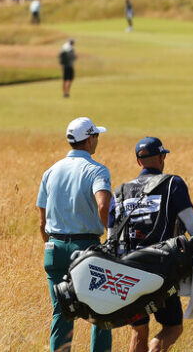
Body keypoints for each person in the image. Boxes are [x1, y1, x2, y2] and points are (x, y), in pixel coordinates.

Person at [110, 137, 193, 352]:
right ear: (162, 157)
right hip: (160, 273)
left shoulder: (120, 192)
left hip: (127, 272)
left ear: (138, 162)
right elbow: (192, 225)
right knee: (172, 327)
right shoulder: (173, 183)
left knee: (139, 329)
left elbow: (112, 239)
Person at [37, 117, 112, 352]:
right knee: (101, 311)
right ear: (90, 139)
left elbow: (41, 223)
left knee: (61, 313)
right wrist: (112, 238)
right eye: (96, 136)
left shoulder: (50, 171)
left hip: (54, 249)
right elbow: (103, 205)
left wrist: (54, 245)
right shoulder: (96, 170)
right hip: (87, 248)